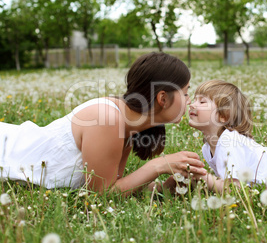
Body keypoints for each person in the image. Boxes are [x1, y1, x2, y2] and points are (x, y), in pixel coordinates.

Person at [0, 52, 207, 195]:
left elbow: (115, 185)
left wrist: (164, 187)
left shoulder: (129, 124)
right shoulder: (108, 119)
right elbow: (101, 193)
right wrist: (159, 165)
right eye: (186, 92)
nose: (189, 99)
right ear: (163, 98)